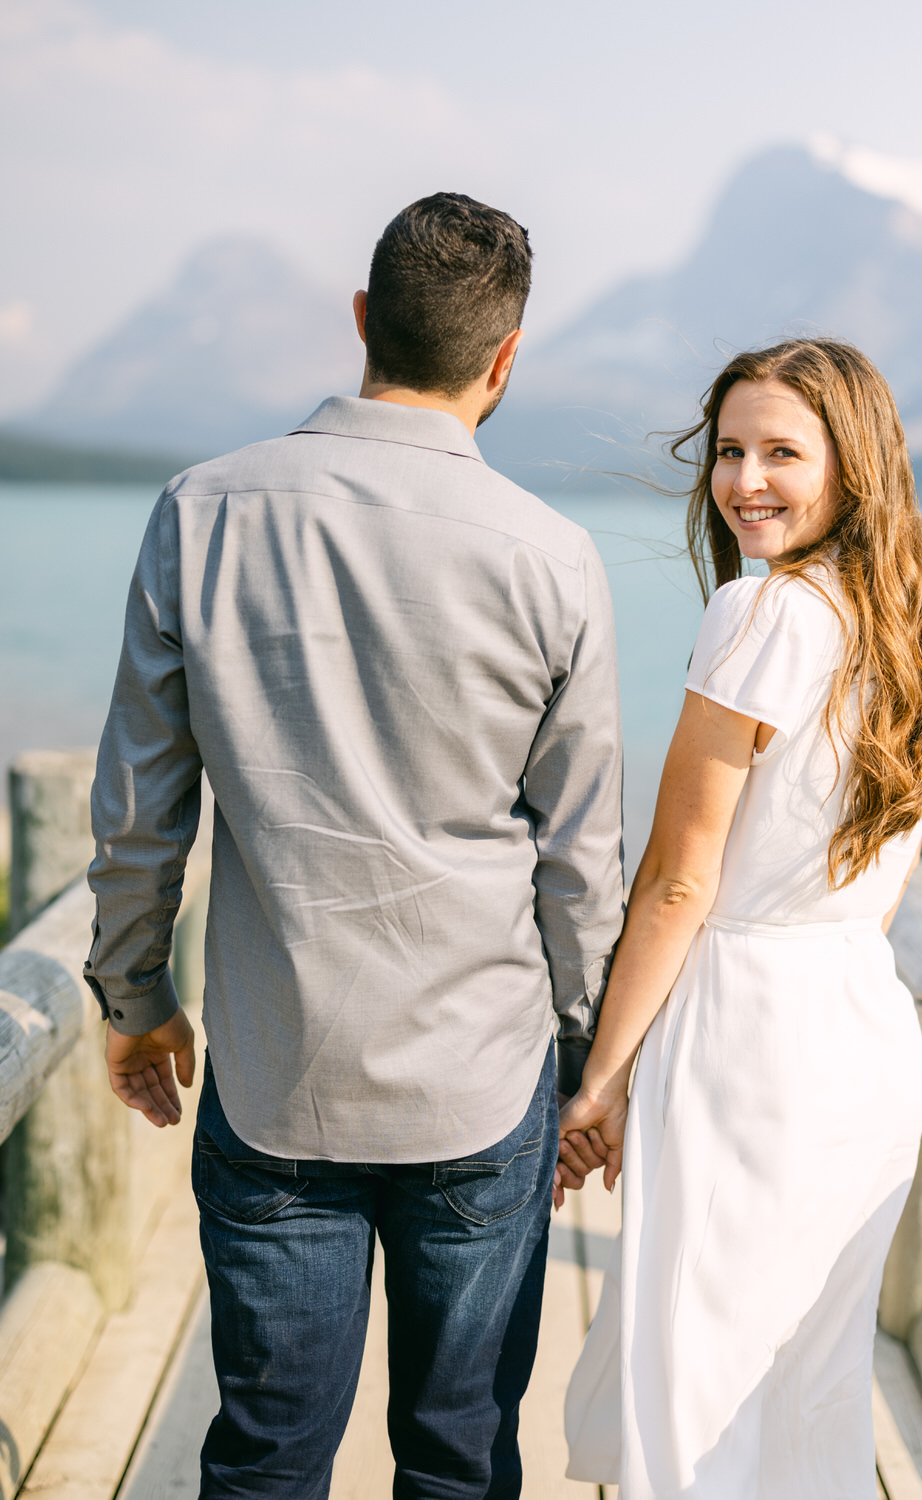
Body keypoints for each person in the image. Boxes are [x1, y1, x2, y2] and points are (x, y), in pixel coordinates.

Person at [84, 192, 624, 1499]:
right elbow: (579, 856)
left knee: (265, 1453)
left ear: (363, 320)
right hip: (481, 1084)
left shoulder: (200, 511)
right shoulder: (555, 560)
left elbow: (141, 810)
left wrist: (135, 999)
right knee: (459, 1455)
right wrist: (583, 1059)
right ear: (505, 361)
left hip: (277, 1074)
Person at [555, 338, 922, 1498]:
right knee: (809, 1386)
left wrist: (600, 1081)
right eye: (728, 451)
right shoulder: (921, 626)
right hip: (859, 1027)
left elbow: (679, 882)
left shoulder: (755, 616)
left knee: (698, 1388)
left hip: (746, 1033)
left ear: (854, 466)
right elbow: (882, 879)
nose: (744, 481)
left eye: (781, 452)